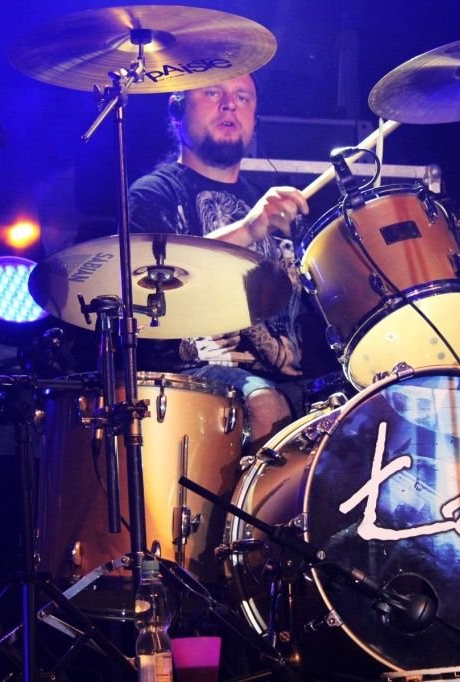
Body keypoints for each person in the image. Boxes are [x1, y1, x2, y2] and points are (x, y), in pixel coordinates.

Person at [127, 72, 310, 451]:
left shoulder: (271, 207)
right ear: (177, 110)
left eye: (243, 97)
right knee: (264, 404)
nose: (230, 105)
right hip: (191, 381)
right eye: (213, 93)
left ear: (254, 119)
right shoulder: (154, 195)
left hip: (291, 381)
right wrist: (248, 229)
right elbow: (154, 281)